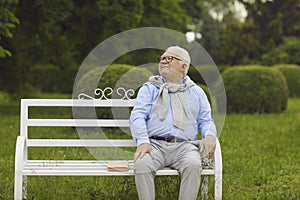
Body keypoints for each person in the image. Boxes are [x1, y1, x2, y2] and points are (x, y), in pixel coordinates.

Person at [129, 46, 217, 200]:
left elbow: (206, 119)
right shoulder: (150, 88)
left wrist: (209, 135)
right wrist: (143, 142)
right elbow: (137, 116)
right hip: (154, 145)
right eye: (162, 58)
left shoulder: (196, 92)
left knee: (193, 164)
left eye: (169, 58)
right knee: (142, 164)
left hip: (184, 147)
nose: (163, 61)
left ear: (183, 66)